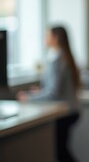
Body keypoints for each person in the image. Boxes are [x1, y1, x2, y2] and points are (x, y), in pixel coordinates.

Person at [17, 26, 81, 162]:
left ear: (55, 38)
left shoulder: (57, 60)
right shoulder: (65, 56)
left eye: (47, 35)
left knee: (61, 152)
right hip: (72, 109)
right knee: (62, 150)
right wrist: (40, 92)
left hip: (64, 112)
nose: (44, 39)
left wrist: (29, 97)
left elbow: (53, 93)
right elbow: (56, 88)